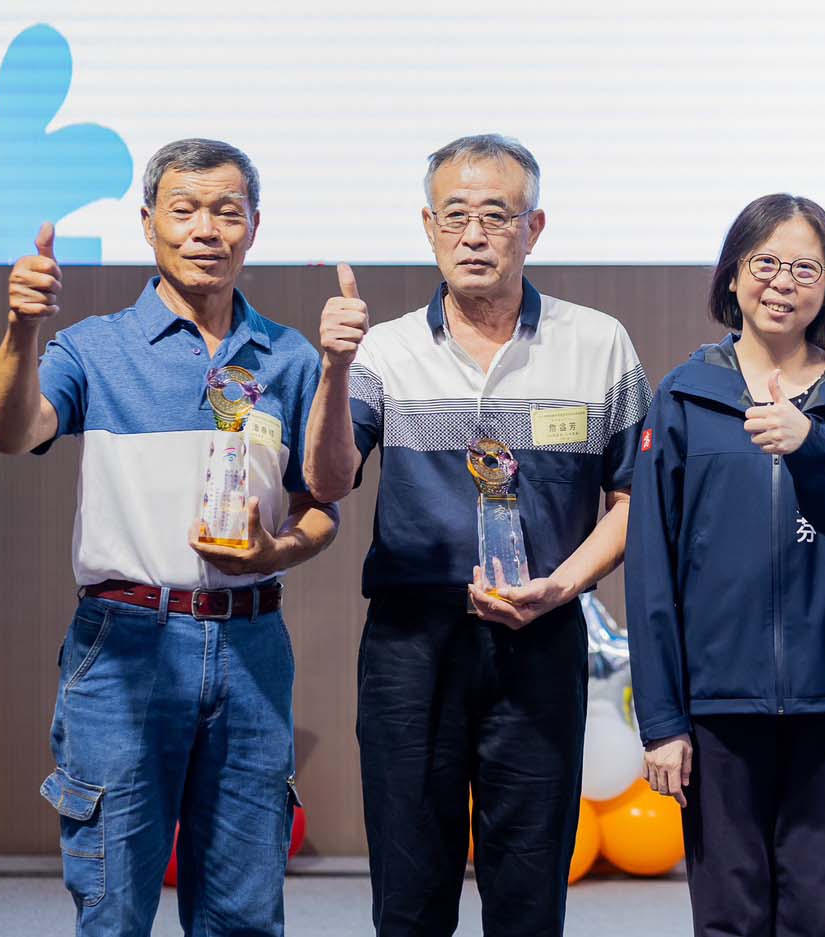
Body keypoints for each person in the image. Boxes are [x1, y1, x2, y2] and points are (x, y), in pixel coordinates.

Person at [302, 133, 652, 937]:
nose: (473, 234)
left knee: (529, 894)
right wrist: (333, 368)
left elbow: (635, 498)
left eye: (496, 215)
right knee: (409, 892)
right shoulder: (383, 349)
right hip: (411, 645)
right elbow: (326, 481)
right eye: (454, 215)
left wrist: (562, 587)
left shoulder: (597, 342)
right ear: (428, 227)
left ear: (534, 229)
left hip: (543, 633)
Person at [0, 138, 336, 935]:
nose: (205, 229)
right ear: (149, 224)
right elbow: (13, 430)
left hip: (252, 646)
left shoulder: (289, 358)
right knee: (113, 906)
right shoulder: (93, 347)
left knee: (245, 913)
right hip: (125, 643)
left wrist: (279, 551)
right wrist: (21, 329)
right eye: (184, 210)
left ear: (253, 227)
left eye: (227, 211)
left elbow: (320, 507)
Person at [626, 194, 825, 937]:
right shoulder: (684, 395)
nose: (783, 282)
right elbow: (651, 568)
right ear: (732, 274)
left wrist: (808, 442)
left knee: (819, 917)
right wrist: (661, 719)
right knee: (728, 918)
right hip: (717, 706)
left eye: (805, 268)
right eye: (765, 263)